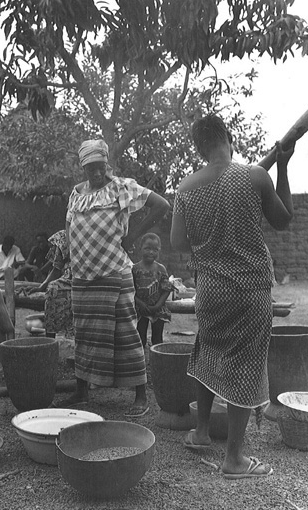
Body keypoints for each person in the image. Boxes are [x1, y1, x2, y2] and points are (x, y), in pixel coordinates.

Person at [170, 114, 295, 479]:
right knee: (245, 365)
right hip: (249, 289)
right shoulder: (255, 176)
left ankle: (201, 432)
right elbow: (284, 220)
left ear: (198, 147)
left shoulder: (185, 187)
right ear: (228, 136)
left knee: (208, 352)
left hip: (210, 290)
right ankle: (234, 460)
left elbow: (178, 242)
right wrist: (283, 168)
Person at [63, 139, 170, 417]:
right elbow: (68, 228)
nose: (96, 173)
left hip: (114, 272)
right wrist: (69, 263)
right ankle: (82, 391)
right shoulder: (76, 194)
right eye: (90, 169)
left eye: (100, 167)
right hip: (83, 277)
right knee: (85, 334)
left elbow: (161, 204)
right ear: (83, 168)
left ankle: (139, 395)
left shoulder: (121, 187)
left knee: (126, 333)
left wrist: (132, 236)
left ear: (106, 163)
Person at [29, 230, 74, 339]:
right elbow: (56, 269)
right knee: (53, 289)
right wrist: (41, 287)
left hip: (88, 275)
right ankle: (50, 339)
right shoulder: (63, 237)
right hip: (69, 278)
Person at [132, 232, 172, 347]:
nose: (151, 252)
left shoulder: (161, 269)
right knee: (140, 337)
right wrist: (140, 304)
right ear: (140, 249)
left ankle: (157, 359)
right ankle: (141, 362)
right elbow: (131, 290)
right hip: (140, 309)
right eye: (147, 248)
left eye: (155, 249)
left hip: (158, 309)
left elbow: (166, 289)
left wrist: (157, 306)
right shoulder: (135, 269)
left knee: (157, 339)